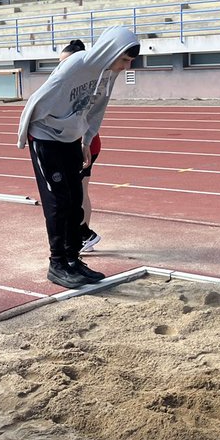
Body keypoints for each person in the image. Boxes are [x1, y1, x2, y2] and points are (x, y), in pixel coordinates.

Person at [18, 26, 140, 289]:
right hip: (44, 136)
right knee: (58, 202)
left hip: (71, 139)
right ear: (111, 52)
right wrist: (28, 135)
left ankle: (73, 260)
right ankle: (58, 263)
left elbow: (97, 106)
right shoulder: (75, 65)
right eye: (124, 60)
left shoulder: (108, 72)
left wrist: (86, 138)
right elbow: (39, 98)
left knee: (75, 200)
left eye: (129, 62)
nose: (126, 67)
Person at [57, 39, 101, 254]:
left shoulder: (86, 84)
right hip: (75, 142)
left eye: (65, 62)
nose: (61, 67)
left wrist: (85, 142)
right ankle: (82, 233)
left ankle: (85, 235)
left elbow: (88, 117)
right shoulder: (70, 83)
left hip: (84, 144)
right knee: (77, 191)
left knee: (79, 192)